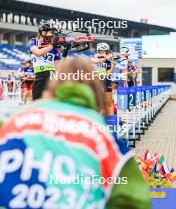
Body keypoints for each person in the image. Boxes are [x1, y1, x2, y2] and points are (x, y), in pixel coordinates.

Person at [0, 57, 150, 208]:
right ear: (95, 89)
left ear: (51, 85)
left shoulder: (15, 120)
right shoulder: (103, 135)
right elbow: (133, 201)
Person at [28, 20, 69, 100]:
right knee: (36, 102)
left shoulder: (55, 46)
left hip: (50, 75)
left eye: (54, 33)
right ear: (43, 32)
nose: (54, 35)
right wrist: (53, 45)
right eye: (52, 32)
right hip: (39, 75)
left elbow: (59, 65)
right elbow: (38, 52)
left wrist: (65, 52)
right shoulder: (33, 41)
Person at [91, 42, 116, 115]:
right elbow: (95, 61)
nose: (107, 52)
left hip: (106, 80)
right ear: (101, 51)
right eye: (106, 51)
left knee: (109, 102)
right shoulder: (94, 56)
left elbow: (109, 73)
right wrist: (105, 58)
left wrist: (113, 65)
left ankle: (111, 122)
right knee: (97, 102)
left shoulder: (108, 60)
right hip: (97, 81)